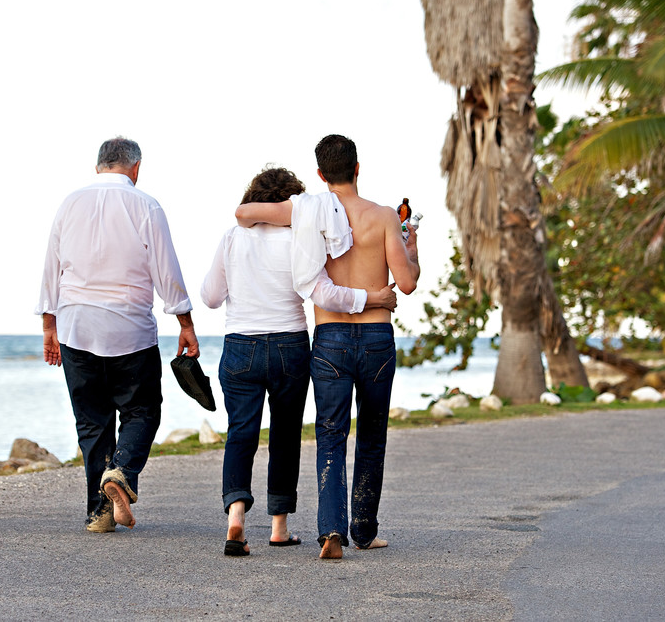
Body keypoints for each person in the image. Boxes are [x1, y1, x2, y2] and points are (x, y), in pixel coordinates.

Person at [236, 135, 420, 559]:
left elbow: (243, 212)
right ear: (358, 168)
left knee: (331, 434)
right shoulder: (385, 217)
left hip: (330, 338)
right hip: (376, 336)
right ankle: (365, 530)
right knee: (372, 436)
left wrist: (292, 211)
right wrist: (412, 248)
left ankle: (331, 530)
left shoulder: (308, 209)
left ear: (320, 174)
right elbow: (406, 283)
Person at [202, 165, 397, 557]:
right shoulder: (299, 237)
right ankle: (279, 527)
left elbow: (210, 296)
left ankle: (236, 515)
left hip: (240, 343)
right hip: (290, 343)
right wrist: (371, 299)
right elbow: (319, 289)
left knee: (241, 431)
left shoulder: (232, 238)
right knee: (285, 435)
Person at [36, 136, 199, 533]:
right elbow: (167, 270)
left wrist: (48, 326)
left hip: (76, 326)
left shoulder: (69, 203)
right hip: (130, 329)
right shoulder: (146, 204)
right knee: (142, 410)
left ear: (98, 166)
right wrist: (186, 323)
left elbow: (51, 267)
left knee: (92, 421)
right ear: (136, 168)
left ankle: (99, 513)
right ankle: (122, 470)